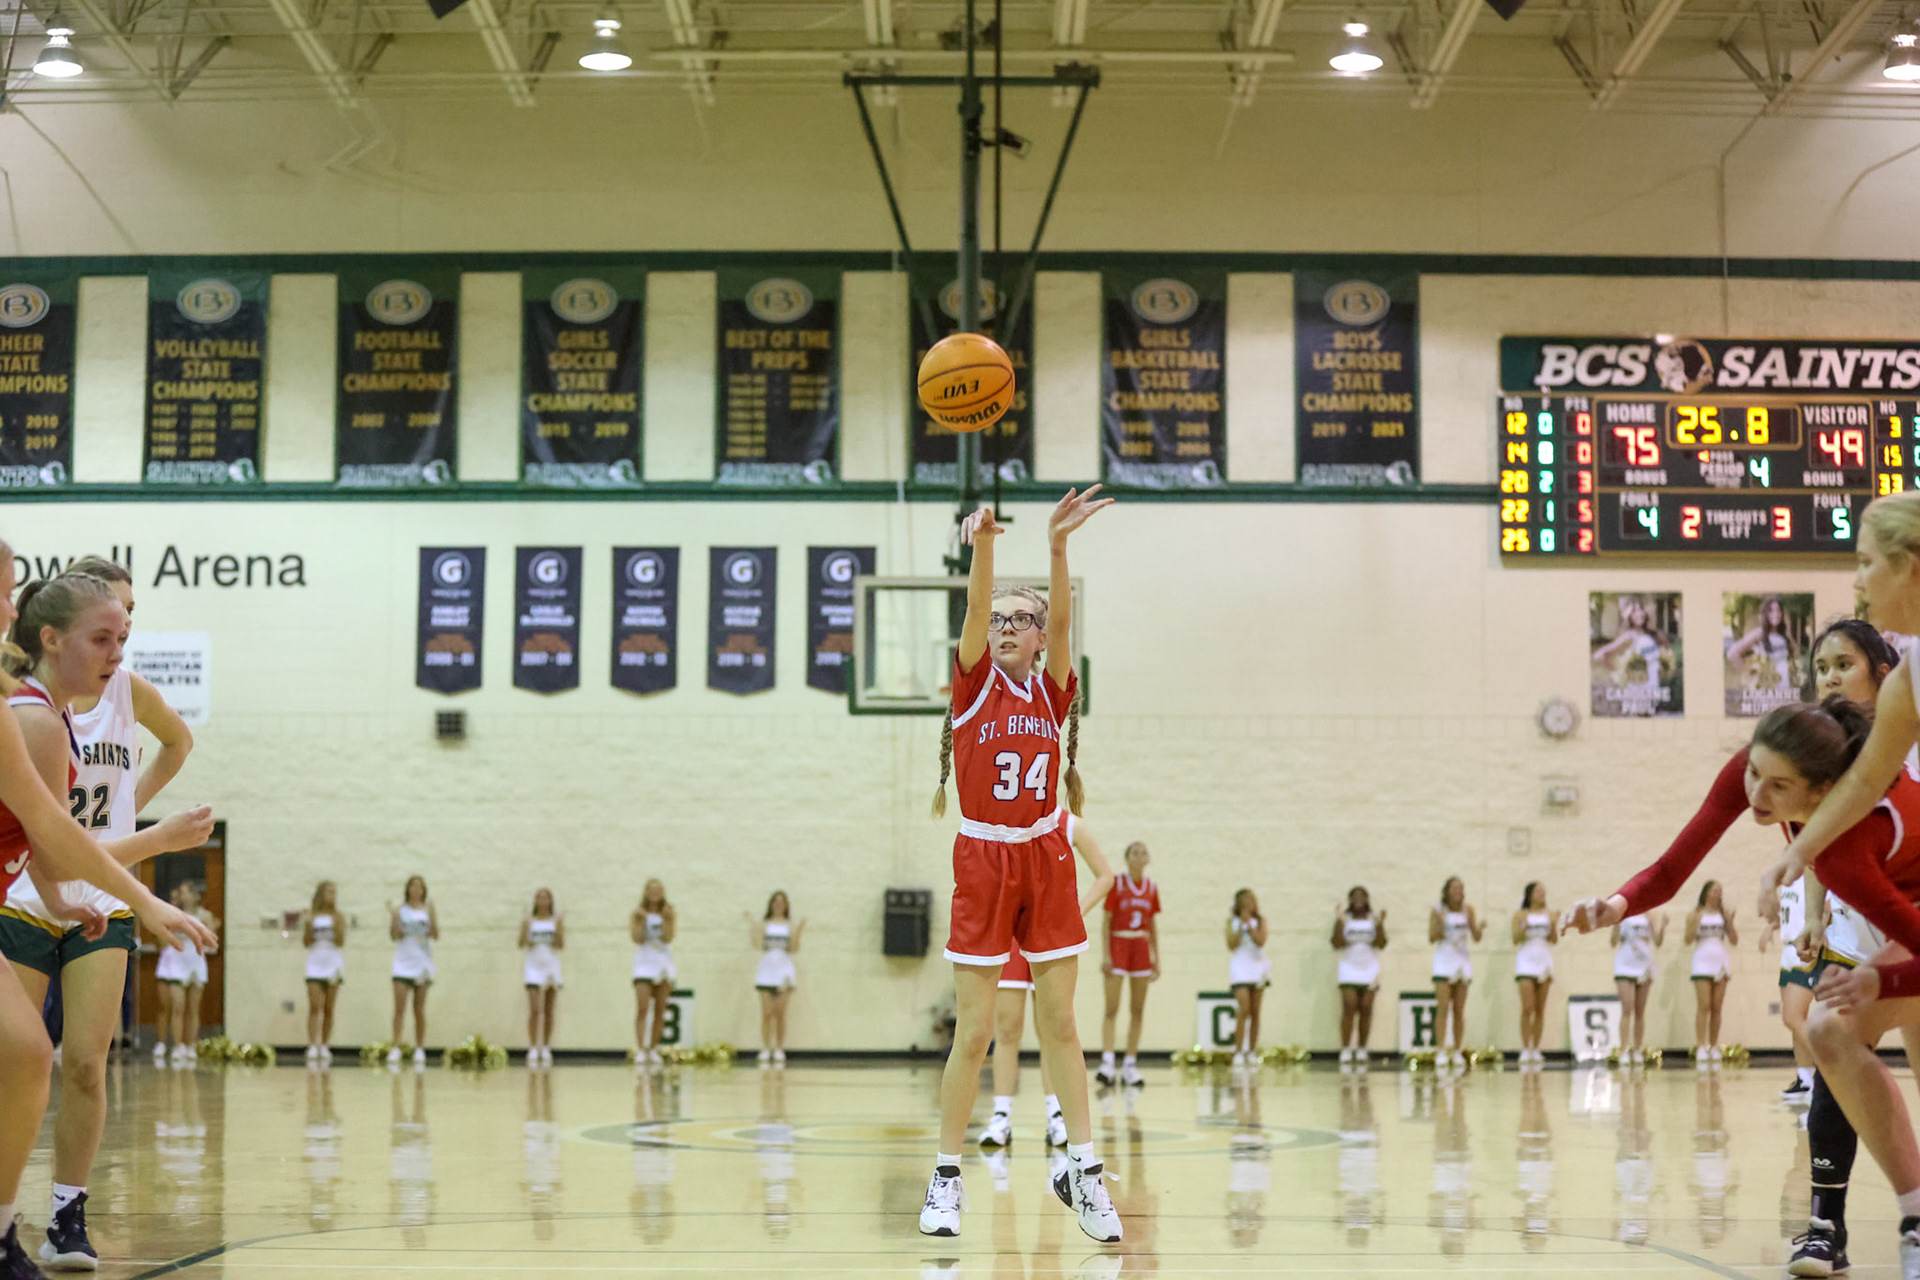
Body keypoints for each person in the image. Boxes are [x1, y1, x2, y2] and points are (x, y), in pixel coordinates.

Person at [1562, 615, 1899, 1277]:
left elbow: (1854, 849)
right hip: (1862, 919)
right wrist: (1616, 904)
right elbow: (1675, 865)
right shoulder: (1786, 757)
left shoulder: (1900, 750)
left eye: (1844, 665)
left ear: (1885, 675)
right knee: (1834, 1045)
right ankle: (1825, 1228)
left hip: (1908, 907)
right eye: (1822, 666)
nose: (1829, 677)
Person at [0, 547, 217, 1278]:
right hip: (32, 893)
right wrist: (152, 859)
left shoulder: (98, 697)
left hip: (81, 891)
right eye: (105, 632)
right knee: (22, 1060)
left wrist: (128, 826)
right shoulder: (33, 715)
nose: (118, 647)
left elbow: (53, 843)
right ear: (56, 632)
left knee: (79, 1064)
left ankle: (62, 1214)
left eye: (125, 632)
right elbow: (52, 836)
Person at [919, 485, 1119, 1243]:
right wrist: (986, 549)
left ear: (1039, 637)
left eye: (1019, 620)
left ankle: (1085, 1169)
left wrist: (1059, 546)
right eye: (998, 620)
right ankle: (944, 1179)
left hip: (1044, 855)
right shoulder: (973, 686)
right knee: (974, 1034)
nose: (1005, 627)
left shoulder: (1053, 688)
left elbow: (1067, 617)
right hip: (984, 860)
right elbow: (972, 614)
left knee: (1061, 1022)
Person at [980, 815, 1113, 1148]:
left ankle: (1056, 1116)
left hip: (1052, 936)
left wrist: (1073, 912)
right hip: (1011, 936)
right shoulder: (1006, 818)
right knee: (1007, 1028)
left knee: (1053, 1030)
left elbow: (1106, 877)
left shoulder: (1071, 825)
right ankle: (1001, 1116)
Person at [1096, 841, 1159, 1088]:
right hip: (1119, 945)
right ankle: (1108, 1061)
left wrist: (1156, 959)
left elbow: (1152, 925)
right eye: (1136, 852)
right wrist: (1106, 955)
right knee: (1112, 1007)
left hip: (1140, 948)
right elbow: (1106, 921)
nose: (1141, 855)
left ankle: (1130, 1063)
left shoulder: (1151, 888)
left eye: (1144, 852)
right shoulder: (1117, 884)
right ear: (1128, 858)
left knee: (1138, 1009)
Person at [1758, 873, 1819, 1101]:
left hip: (1804, 950)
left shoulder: (1813, 878)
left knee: (1791, 1017)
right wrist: (1772, 926)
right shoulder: (1788, 883)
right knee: (1797, 1021)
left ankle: (1831, 1066)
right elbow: (1790, 914)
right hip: (1788, 950)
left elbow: (1826, 909)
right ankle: (1805, 1079)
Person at [153, 880, 219, 1066]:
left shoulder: (204, 915)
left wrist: (212, 927)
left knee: (193, 1008)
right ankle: (177, 1045)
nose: (182, 896)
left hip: (196, 961)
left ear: (194, 894)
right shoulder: (173, 913)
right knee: (177, 1006)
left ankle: (191, 1045)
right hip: (176, 960)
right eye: (180, 892)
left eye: (185, 892)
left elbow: (212, 940)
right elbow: (162, 939)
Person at [1430, 877, 1484, 1068]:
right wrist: (1441, 924)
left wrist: (1479, 927)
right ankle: (1440, 1050)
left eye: (1461, 888)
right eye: (1454, 888)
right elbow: (1432, 937)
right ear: (1446, 891)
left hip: (1462, 960)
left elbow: (1476, 937)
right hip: (1444, 961)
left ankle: (1458, 1049)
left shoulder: (1468, 910)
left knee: (1459, 1009)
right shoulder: (1438, 910)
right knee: (1443, 1006)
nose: (1458, 892)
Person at [1333, 886, 1386, 1067]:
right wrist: (1340, 922)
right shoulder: (1345, 918)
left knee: (1366, 1007)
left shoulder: (1373, 918)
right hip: (1349, 967)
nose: (1358, 899)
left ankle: (1362, 1047)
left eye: (1362, 896)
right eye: (1354, 896)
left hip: (1369, 967)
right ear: (1350, 899)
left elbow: (1381, 943)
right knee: (1349, 1006)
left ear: (1367, 899)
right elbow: (1337, 943)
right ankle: (1346, 1048)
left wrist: (1380, 925)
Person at [1685, 880, 1737, 1063]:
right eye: (1714, 890)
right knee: (1704, 1006)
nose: (1717, 894)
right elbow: (1687, 939)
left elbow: (1734, 940)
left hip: (1720, 962)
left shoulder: (1723, 914)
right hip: (1702, 962)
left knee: (1717, 1007)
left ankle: (1714, 1046)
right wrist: (1694, 923)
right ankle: (1701, 1046)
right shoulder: (1696, 913)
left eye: (1720, 891)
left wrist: (1730, 923)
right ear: (1706, 892)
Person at [388, 876, 437, 1066]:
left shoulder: (427, 910)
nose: (416, 890)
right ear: (407, 889)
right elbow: (394, 936)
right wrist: (394, 919)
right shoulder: (401, 910)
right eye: (413, 886)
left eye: (420, 887)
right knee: (399, 1008)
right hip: (403, 962)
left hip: (422, 962)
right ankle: (396, 1047)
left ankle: (419, 1048)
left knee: (419, 1009)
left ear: (424, 890)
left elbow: (435, 935)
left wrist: (432, 917)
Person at [748, 891, 802, 1067]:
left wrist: (799, 932)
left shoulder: (790, 926)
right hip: (766, 970)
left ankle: (779, 1048)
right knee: (766, 1013)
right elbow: (757, 945)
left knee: (780, 1013)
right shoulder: (765, 924)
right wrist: (753, 927)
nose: (778, 905)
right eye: (775, 902)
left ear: (786, 906)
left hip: (784, 971)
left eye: (782, 902)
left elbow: (794, 949)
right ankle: (765, 1047)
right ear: (771, 904)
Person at [1610, 911, 1667, 1063]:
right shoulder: (1623, 915)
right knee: (1627, 1009)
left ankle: (1637, 1049)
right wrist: (1615, 926)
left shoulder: (1649, 916)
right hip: (1625, 966)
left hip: (1644, 966)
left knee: (1640, 1011)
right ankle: (1623, 1049)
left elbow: (1658, 942)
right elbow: (1613, 942)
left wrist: (1663, 926)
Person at [1512, 882, 1556, 1067]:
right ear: (1529, 894)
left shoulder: (1550, 914)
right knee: (1527, 1007)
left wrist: (1553, 926)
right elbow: (1515, 939)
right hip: (1526, 962)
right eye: (1538, 891)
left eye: (1543, 891)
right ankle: (1525, 1048)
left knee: (1540, 1008)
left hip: (1543, 960)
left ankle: (1536, 1048)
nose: (1542, 894)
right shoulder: (1520, 914)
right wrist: (1525, 927)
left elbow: (1553, 940)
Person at [631, 879, 675, 1066]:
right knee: (642, 1006)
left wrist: (666, 920)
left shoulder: (669, 912)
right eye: (652, 890)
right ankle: (642, 1048)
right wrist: (641, 921)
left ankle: (654, 1048)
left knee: (660, 1008)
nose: (655, 893)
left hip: (663, 961)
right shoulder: (638, 913)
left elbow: (668, 937)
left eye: (659, 890)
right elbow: (637, 938)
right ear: (646, 892)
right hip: (644, 962)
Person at [521, 888, 563, 1067]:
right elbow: (522, 943)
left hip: (550, 965)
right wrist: (527, 926)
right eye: (540, 897)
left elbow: (560, 945)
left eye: (546, 898)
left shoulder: (555, 921)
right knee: (534, 1009)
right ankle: (533, 1046)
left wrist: (560, 927)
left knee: (548, 1009)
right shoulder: (529, 921)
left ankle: (545, 1046)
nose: (543, 900)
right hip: (533, 966)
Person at [1227, 889, 1269, 1066]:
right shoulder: (1232, 922)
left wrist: (1250, 926)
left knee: (1255, 1010)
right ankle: (1238, 1051)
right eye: (1244, 900)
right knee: (1243, 1008)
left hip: (1257, 967)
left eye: (1251, 899)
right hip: (1240, 968)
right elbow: (1232, 944)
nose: (1248, 903)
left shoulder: (1260, 921)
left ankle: (1251, 1050)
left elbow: (1261, 941)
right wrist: (1241, 925)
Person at [304, 881, 344, 1064]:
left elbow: (340, 942)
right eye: (329, 891)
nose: (332, 895)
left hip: (333, 962)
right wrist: (307, 925)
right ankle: (312, 1044)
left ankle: (325, 1044)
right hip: (315, 961)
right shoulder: (312, 916)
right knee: (314, 1006)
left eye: (334, 892)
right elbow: (306, 942)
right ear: (321, 894)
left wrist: (337, 926)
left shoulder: (339, 916)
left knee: (329, 1008)